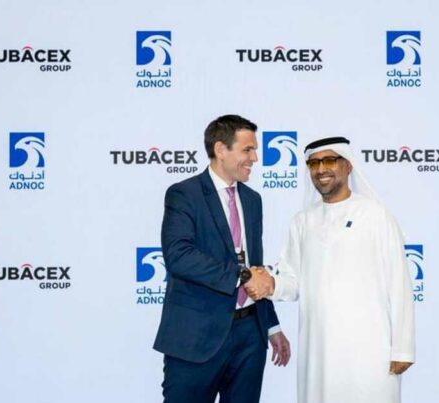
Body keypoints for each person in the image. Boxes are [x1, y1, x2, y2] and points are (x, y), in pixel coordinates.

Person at [244, 136, 415, 403]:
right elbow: (292, 280)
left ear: (348, 165)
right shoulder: (302, 221)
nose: (321, 169)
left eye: (329, 160)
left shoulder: (375, 215)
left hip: (370, 349)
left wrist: (403, 349)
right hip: (318, 351)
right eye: (313, 163)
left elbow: (399, 284)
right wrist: (271, 285)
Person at [154, 114, 291, 403]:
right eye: (247, 150)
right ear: (220, 149)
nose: (255, 158)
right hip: (196, 337)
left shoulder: (252, 200)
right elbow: (179, 256)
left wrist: (271, 326)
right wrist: (242, 276)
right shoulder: (184, 194)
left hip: (250, 337)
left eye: (254, 150)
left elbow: (254, 265)